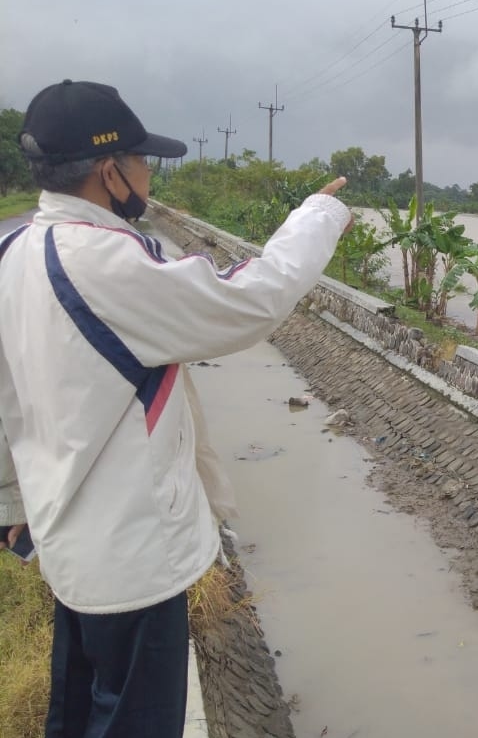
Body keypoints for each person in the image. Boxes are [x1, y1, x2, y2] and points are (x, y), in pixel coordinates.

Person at [0, 79, 352, 738]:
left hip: (70, 548)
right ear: (109, 172)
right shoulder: (105, 263)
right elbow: (249, 300)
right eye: (142, 163)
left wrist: (12, 509)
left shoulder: (14, 253)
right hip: (132, 563)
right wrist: (316, 217)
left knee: (76, 716)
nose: (148, 177)